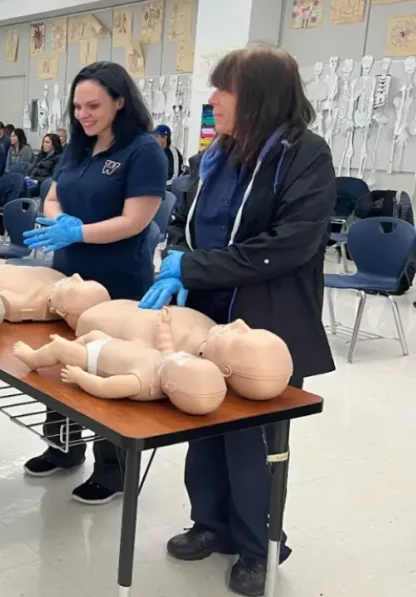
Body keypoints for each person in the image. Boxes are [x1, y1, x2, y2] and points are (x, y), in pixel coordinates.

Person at [139, 46, 335, 597]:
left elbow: (290, 244)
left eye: (224, 90)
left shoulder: (306, 156)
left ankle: (258, 545)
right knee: (202, 423)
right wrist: (175, 258)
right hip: (207, 313)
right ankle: (211, 523)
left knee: (254, 442)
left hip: (265, 324)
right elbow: (186, 219)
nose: (213, 100)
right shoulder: (218, 152)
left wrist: (195, 263)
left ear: (258, 97)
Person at [20, 61, 166, 504]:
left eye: (94, 105)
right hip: (70, 273)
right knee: (63, 359)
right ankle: (63, 447)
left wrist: (79, 231)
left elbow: (135, 220)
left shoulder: (143, 151)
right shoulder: (78, 148)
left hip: (119, 277)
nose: (84, 114)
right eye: (78, 106)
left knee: (105, 367)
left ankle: (113, 468)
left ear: (121, 102)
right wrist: (58, 221)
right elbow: (53, 195)